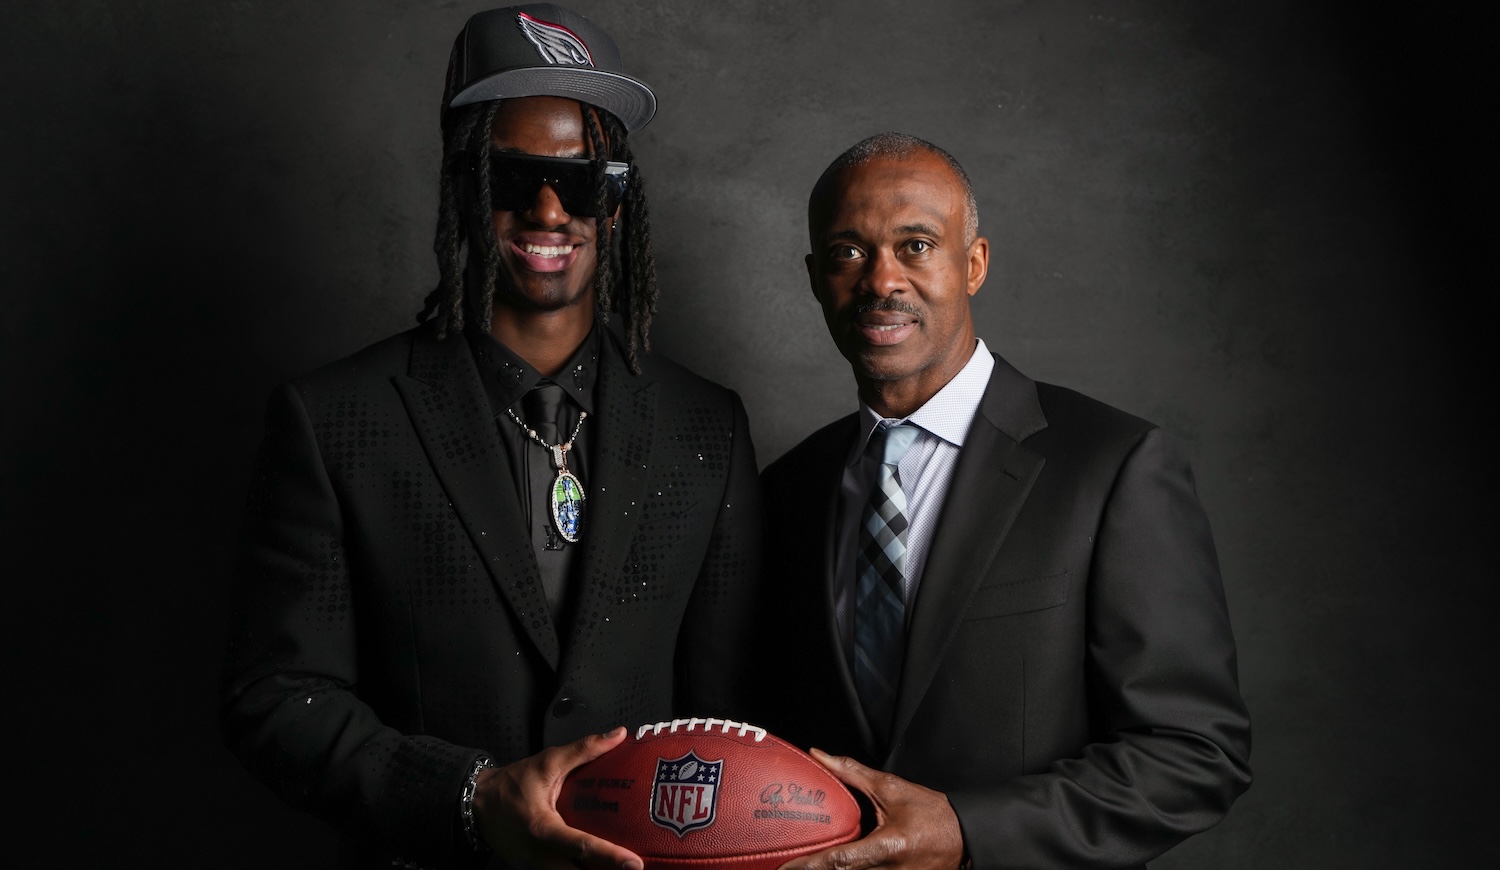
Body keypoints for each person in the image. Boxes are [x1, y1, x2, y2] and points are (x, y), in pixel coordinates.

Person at [220, 6, 760, 868]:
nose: (550, 209)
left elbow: (733, 704)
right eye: (513, 177)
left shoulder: (708, 428)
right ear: (462, 185)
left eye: (583, 180)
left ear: (617, 203)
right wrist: (466, 798)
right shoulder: (335, 421)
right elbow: (277, 696)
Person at [750, 133, 1251, 870]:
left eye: (916, 245)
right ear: (815, 277)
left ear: (974, 263)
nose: (881, 280)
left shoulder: (1112, 465)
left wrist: (967, 831)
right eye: (847, 253)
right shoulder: (787, 490)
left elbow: (1195, 754)